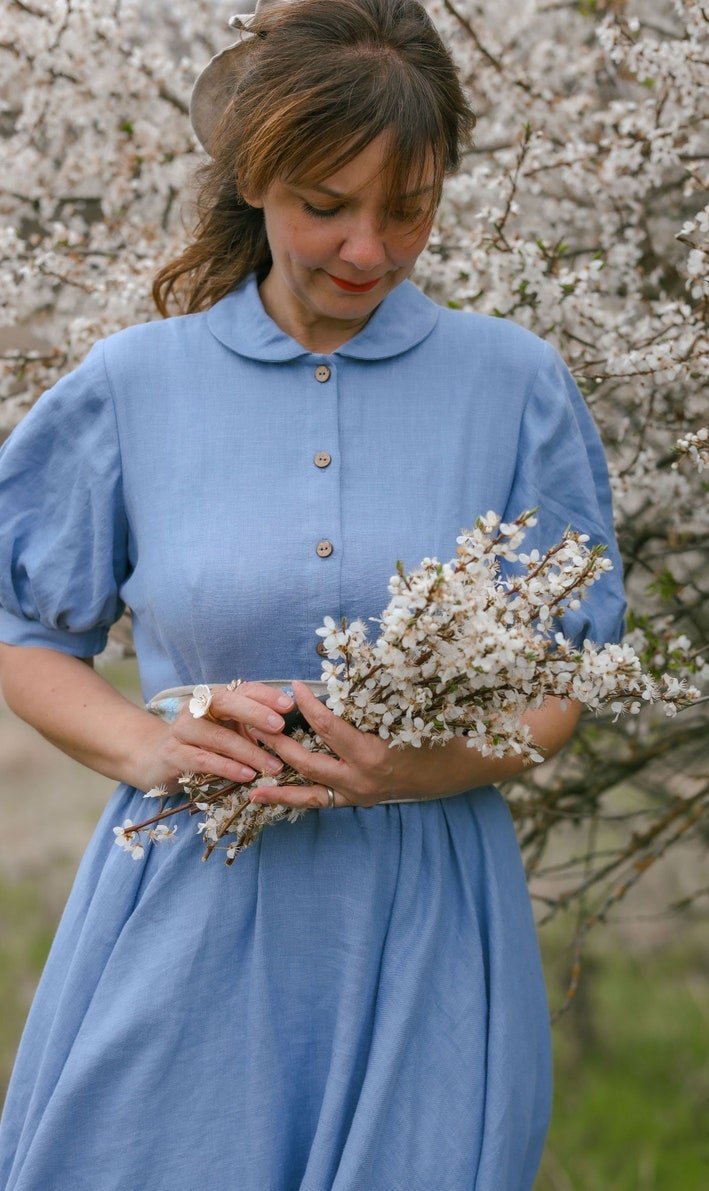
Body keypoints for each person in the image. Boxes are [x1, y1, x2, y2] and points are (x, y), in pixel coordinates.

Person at [0, 1, 625, 1187]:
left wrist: (419, 767)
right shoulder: (134, 384)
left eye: (409, 207)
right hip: (184, 900)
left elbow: (565, 680)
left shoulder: (515, 386)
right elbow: (22, 627)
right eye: (325, 206)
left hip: (425, 921)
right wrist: (144, 744)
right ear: (255, 181)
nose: (369, 251)